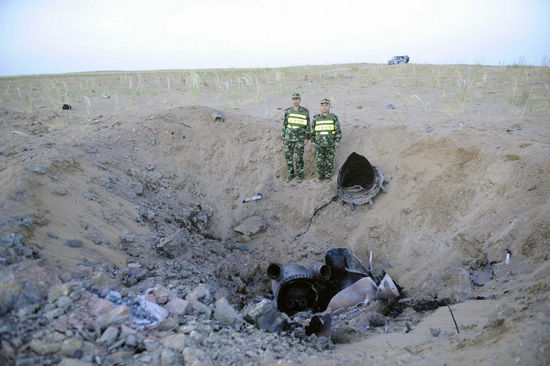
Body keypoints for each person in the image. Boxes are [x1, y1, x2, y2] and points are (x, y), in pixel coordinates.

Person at [281, 92, 310, 183]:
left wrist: (306, 138)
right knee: (288, 157)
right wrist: (283, 137)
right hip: (289, 138)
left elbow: (308, 126)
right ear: (291, 101)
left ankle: (300, 176)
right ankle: (291, 174)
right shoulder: (288, 111)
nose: (295, 101)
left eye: (297, 99)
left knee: (299, 158)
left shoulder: (305, 111)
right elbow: (284, 125)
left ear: (300, 100)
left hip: (299, 139)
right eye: (294, 99)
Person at [311, 98, 342, 182]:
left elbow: (338, 130)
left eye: (326, 105)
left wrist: (337, 141)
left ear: (329, 106)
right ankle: (320, 177)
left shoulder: (333, 117)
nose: (324, 107)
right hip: (319, 144)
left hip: (330, 144)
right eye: (322, 105)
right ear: (320, 107)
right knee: (319, 161)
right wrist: (312, 140)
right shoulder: (316, 118)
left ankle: (328, 177)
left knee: (329, 162)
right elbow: (312, 130)